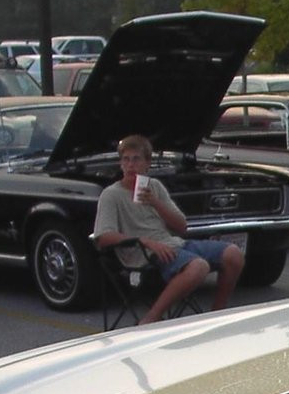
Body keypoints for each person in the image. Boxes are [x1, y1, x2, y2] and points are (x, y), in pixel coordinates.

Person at [93, 134, 243, 324]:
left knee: (233, 254)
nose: (130, 165)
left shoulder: (154, 187)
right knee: (199, 266)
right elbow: (103, 237)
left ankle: (216, 315)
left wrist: (155, 202)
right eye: (126, 160)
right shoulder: (111, 195)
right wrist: (145, 241)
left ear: (147, 164)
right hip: (141, 253)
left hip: (173, 244)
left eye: (136, 159)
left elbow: (181, 226)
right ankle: (151, 318)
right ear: (121, 164)